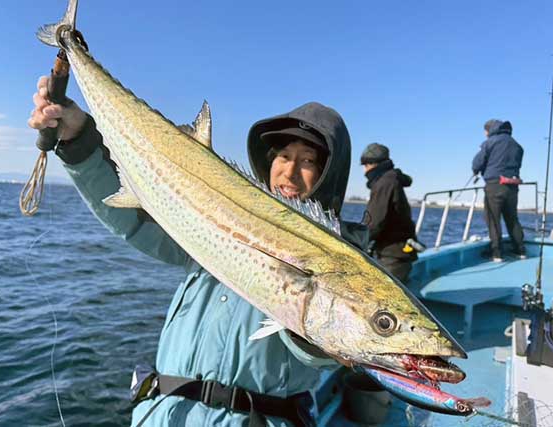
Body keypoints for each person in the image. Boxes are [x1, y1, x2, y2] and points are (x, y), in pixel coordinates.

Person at [28, 75, 355, 427]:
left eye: (307, 161)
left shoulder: (340, 261)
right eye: (284, 156)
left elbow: (324, 349)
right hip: (161, 416)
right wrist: (78, 140)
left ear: (328, 175)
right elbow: (134, 219)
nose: (290, 172)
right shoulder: (216, 220)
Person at [360, 143, 418, 283]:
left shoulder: (384, 183)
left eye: (365, 165)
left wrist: (354, 238)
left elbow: (373, 224)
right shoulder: (392, 179)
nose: (364, 171)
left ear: (372, 164)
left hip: (393, 255)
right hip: (398, 252)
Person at [472, 119, 525, 262]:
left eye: (485, 131)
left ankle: (496, 253)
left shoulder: (489, 142)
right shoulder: (517, 146)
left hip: (495, 186)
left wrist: (476, 170)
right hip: (513, 187)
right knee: (512, 219)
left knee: (493, 219)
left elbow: (477, 163)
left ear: (489, 130)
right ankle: (520, 251)